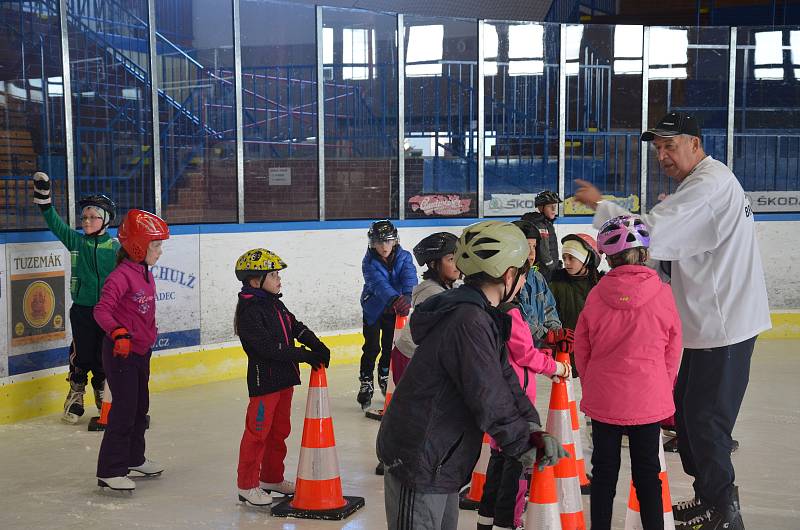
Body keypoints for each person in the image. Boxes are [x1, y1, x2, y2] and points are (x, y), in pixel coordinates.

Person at [574, 111, 771, 529]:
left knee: (706, 422)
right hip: (704, 326)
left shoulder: (708, 185)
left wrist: (602, 205)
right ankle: (708, 498)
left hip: (724, 326)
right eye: (658, 148)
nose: (662, 155)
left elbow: (648, 233)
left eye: (670, 145)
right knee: (688, 417)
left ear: (696, 145)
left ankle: (722, 510)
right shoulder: (699, 185)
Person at [377, 220, 567, 530]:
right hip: (420, 457)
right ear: (509, 275)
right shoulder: (468, 321)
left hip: (442, 457)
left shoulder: (482, 314)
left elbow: (504, 376)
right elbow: (487, 392)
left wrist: (531, 427)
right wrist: (523, 443)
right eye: (523, 273)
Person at [574, 215, 682, 530]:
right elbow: (673, 346)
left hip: (605, 398)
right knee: (648, 473)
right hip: (648, 398)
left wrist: (593, 382)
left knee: (604, 471)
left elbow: (583, 347)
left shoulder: (596, 295)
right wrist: (661, 383)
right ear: (646, 255)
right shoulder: (662, 293)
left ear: (608, 256)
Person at [232, 248, 331, 507]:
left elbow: (294, 325)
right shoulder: (250, 310)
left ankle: (271, 478)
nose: (279, 279)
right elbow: (266, 348)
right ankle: (247, 485)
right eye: (273, 275)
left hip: (284, 379)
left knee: (279, 432)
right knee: (258, 434)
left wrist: (316, 344)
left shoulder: (274, 302)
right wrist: (303, 355)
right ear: (256, 280)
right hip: (264, 383)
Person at [478, 265, 571, 530]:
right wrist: (557, 368)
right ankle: (508, 522)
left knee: (497, 463)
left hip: (496, 399)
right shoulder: (511, 313)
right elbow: (526, 354)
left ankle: (486, 520)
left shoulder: (486, 311)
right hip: (515, 401)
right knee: (516, 465)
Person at [32, 171, 120, 424]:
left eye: (94, 217)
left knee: (105, 354)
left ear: (106, 221)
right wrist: (45, 200)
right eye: (84, 216)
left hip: (108, 312)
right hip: (82, 309)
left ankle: (102, 388)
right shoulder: (77, 242)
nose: (87, 220)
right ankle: (76, 392)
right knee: (82, 354)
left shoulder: (116, 249)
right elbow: (55, 223)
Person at [92, 209, 169, 491]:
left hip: (140, 352)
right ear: (138, 246)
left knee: (140, 408)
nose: (160, 251)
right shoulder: (121, 276)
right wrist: (119, 332)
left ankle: (134, 458)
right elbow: (101, 311)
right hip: (120, 353)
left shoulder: (144, 272)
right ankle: (110, 470)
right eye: (156, 245)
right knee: (124, 410)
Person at [358, 220, 417, 410]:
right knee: (372, 347)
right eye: (379, 242)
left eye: (387, 241)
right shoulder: (368, 262)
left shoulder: (405, 257)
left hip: (395, 311)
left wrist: (408, 295)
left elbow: (409, 276)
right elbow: (377, 284)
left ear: (395, 241)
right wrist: (394, 299)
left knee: (390, 347)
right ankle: (366, 380)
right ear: (372, 243)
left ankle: (384, 373)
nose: (384, 246)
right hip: (374, 309)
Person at [392, 231, 461, 381]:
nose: (456, 264)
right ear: (433, 264)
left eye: (458, 258)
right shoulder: (431, 293)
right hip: (410, 357)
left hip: (420, 356)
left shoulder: (449, 287)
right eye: (450, 259)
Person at [547, 232, 603, 374]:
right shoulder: (556, 283)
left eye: (571, 258)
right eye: (564, 257)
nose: (566, 262)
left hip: (594, 357)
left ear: (586, 259)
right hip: (564, 356)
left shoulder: (601, 285)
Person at [511, 219, 561, 348]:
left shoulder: (538, 277)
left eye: (534, 247)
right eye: (527, 247)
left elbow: (549, 308)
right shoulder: (509, 282)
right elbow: (524, 321)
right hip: (522, 351)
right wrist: (546, 336)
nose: (532, 253)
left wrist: (556, 332)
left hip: (541, 351)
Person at [521, 189, 562, 280]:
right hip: (544, 271)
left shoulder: (545, 223)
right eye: (550, 206)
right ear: (540, 208)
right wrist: (552, 266)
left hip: (541, 269)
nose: (554, 209)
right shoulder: (541, 225)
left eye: (555, 206)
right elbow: (544, 252)